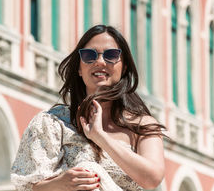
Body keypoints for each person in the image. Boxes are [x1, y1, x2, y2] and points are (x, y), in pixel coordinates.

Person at [11, 25, 166, 191]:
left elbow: (152, 178)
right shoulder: (52, 123)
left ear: (125, 67)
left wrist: (100, 137)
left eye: (111, 55)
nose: (100, 62)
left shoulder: (143, 126)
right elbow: (27, 188)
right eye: (89, 55)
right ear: (79, 67)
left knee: (91, 169)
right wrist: (61, 183)